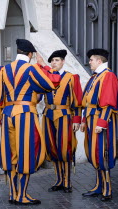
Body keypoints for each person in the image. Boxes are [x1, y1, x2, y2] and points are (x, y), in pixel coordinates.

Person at [0, 39, 61, 205]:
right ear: (30, 54)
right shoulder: (31, 68)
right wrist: (43, 65)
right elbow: (51, 83)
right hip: (25, 114)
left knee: (10, 154)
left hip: (7, 114)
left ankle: (12, 194)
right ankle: (21, 195)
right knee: (26, 152)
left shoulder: (4, 69)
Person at [37, 49, 82, 193]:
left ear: (63, 61)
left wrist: (77, 119)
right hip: (48, 114)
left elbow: (78, 100)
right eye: (52, 61)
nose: (53, 63)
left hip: (65, 115)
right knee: (52, 148)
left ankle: (67, 181)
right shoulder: (46, 77)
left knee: (65, 148)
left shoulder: (71, 77)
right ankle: (58, 180)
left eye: (56, 60)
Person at [80, 48, 118, 201]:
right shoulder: (95, 77)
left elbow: (108, 102)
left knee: (103, 153)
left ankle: (107, 189)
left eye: (91, 60)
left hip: (100, 121)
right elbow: (87, 102)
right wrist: (83, 120)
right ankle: (98, 186)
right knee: (95, 153)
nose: (89, 62)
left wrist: (101, 123)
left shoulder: (108, 76)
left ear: (99, 61)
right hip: (91, 120)